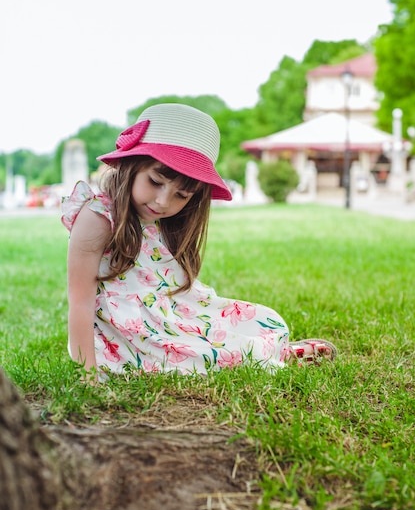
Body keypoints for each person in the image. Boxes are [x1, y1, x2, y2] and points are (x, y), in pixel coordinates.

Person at [62, 103, 336, 381]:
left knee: (263, 322)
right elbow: (80, 301)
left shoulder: (150, 218)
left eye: (181, 195)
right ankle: (263, 357)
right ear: (131, 165)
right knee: (192, 359)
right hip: (126, 336)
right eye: (155, 181)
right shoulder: (97, 217)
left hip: (167, 316)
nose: (163, 201)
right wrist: (88, 374)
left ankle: (268, 352)